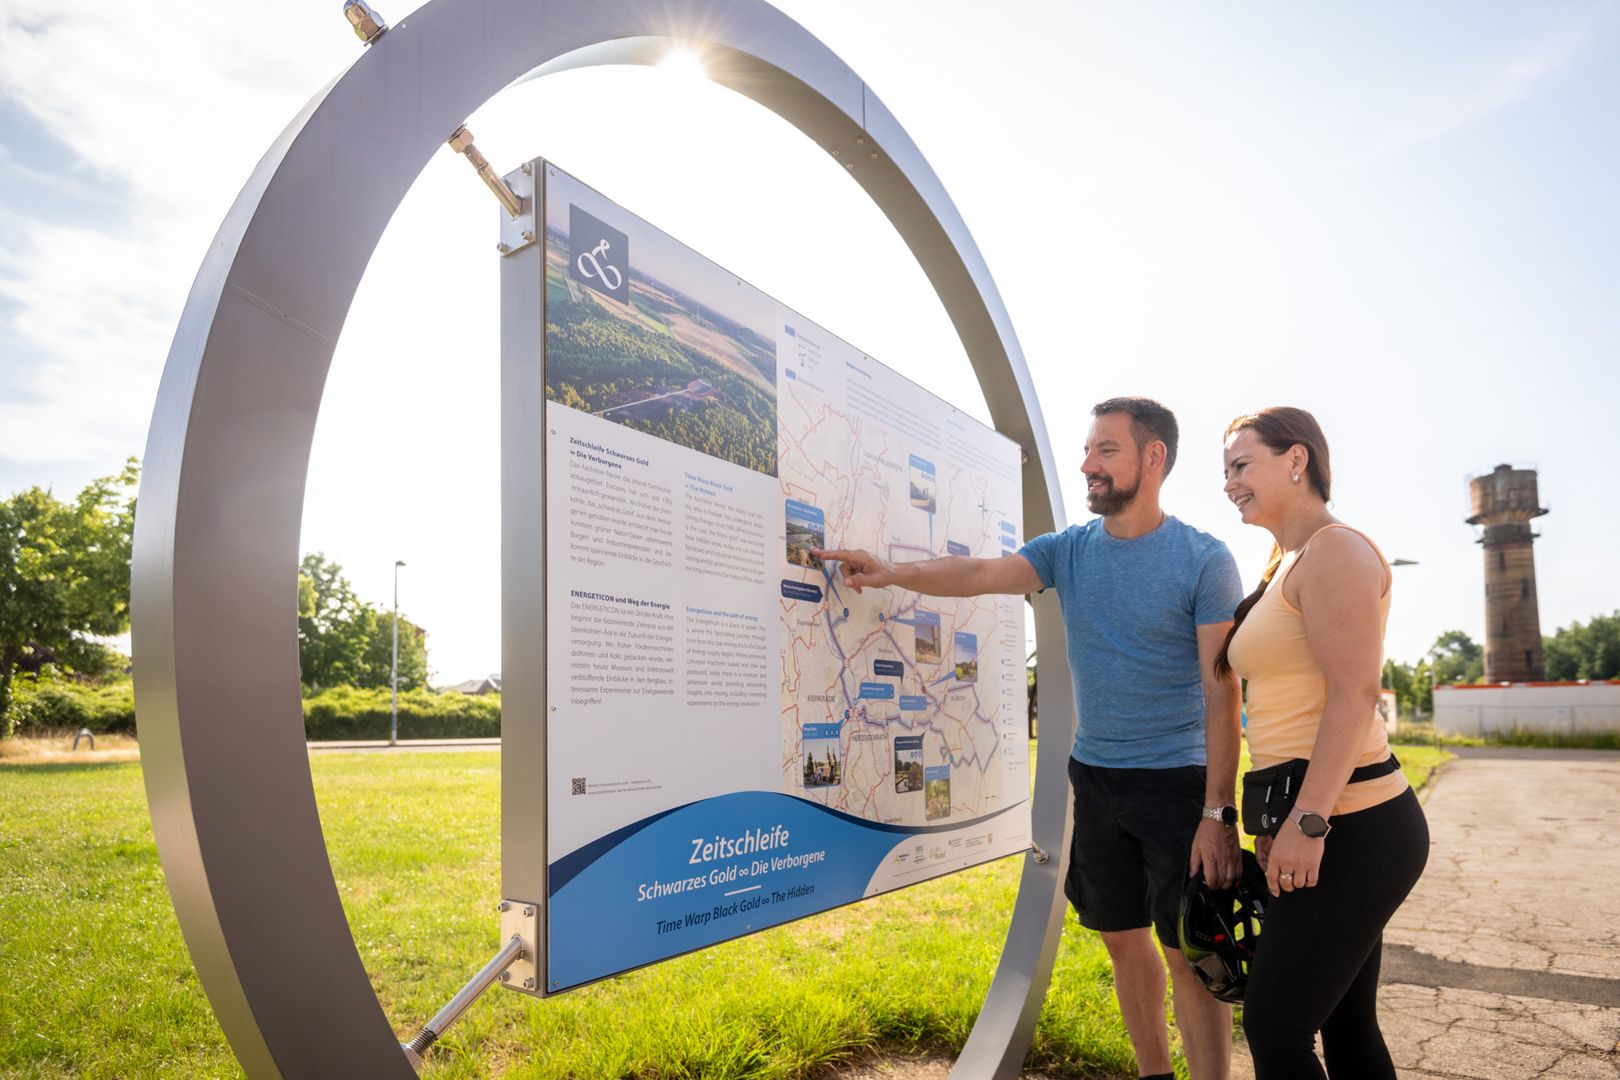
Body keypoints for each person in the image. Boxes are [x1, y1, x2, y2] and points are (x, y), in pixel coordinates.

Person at [819, 397, 1244, 1080]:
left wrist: (1218, 813)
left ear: (1153, 457)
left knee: (1187, 950)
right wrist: (892, 572)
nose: (1087, 464)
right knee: (1122, 939)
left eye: (1105, 450)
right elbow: (977, 575)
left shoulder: (1203, 559)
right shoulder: (1068, 550)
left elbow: (1223, 690)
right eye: (1087, 450)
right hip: (1096, 777)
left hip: (1175, 781)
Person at [1216, 407, 1429, 1079]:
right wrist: (1281, 825)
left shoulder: (1336, 550)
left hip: (1355, 826)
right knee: (1345, 1022)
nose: (1229, 483)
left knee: (1276, 1028)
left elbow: (1355, 694)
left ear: (1296, 460)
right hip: (1316, 821)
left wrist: (1307, 823)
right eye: (1226, 471)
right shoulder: (1286, 562)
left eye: (1241, 465)